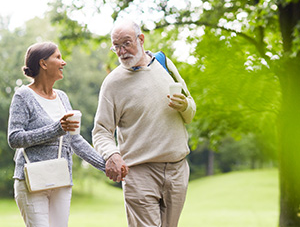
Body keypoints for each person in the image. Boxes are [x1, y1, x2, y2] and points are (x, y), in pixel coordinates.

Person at [92, 20, 196, 227]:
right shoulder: (113, 83)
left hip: (177, 169)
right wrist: (112, 154)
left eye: (126, 43)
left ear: (141, 39)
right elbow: (101, 131)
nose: (122, 51)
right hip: (139, 172)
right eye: (117, 46)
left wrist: (185, 106)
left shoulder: (164, 63)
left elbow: (191, 111)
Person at [7, 42, 106, 227]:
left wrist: (105, 166)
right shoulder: (23, 96)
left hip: (61, 178)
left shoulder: (62, 97)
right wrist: (56, 129)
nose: (64, 62)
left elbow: (75, 140)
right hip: (31, 181)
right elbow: (14, 138)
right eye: (58, 57)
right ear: (43, 64)